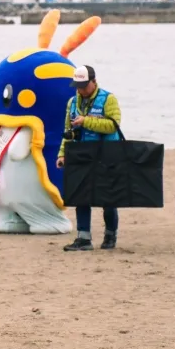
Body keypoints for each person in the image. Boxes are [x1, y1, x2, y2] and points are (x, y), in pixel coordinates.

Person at [57, 65, 122, 251]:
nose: (81, 90)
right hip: (81, 154)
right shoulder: (72, 102)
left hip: (106, 154)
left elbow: (113, 125)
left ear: (94, 81)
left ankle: (110, 235)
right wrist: (62, 154)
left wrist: (86, 121)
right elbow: (67, 131)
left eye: (84, 86)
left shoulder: (108, 99)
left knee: (108, 198)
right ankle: (83, 238)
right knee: (81, 196)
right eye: (78, 86)